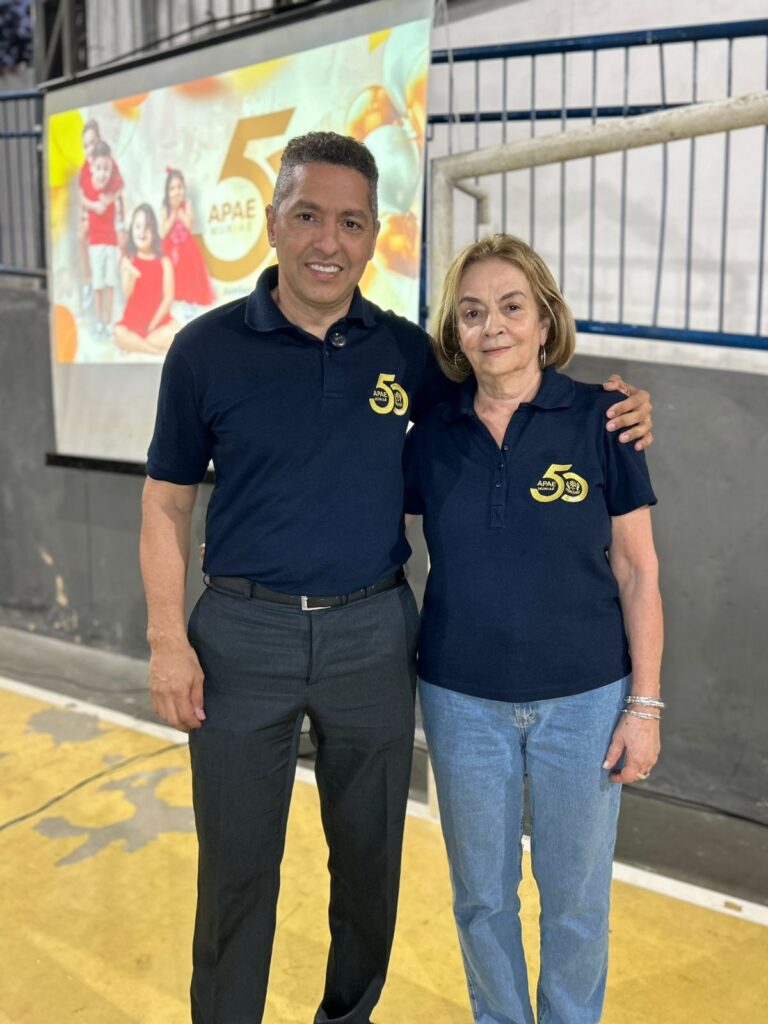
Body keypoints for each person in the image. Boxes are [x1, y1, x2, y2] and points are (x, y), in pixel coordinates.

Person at [139, 132, 654, 1024]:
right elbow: (165, 501)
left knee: (370, 865)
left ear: (374, 236)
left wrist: (619, 408)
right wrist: (164, 639)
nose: (327, 241)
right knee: (235, 871)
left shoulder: (409, 354)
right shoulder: (203, 350)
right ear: (272, 223)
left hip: (373, 634)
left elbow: (508, 389)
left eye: (350, 222)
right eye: (307, 216)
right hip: (242, 635)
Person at [403, 234, 663, 1024]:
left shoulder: (605, 420)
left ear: (546, 320)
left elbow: (638, 570)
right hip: (460, 702)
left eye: (512, 307)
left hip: (585, 702)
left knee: (576, 903)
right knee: (482, 899)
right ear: (455, 332)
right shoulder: (432, 432)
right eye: (472, 312)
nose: (494, 326)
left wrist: (645, 705)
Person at [114, 204, 178, 355]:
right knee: (118, 332)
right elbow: (127, 292)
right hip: (132, 324)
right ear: (132, 230)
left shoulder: (164, 262)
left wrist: (152, 326)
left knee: (177, 333)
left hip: (157, 323)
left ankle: (138, 344)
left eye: (147, 227)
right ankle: (154, 350)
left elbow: (168, 298)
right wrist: (129, 272)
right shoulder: (129, 260)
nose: (142, 232)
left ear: (154, 230)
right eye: (138, 226)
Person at [79, 125, 124, 323]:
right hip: (95, 231)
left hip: (110, 234)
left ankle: (108, 319)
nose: (90, 148)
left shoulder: (109, 164)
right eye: (86, 145)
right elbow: (82, 195)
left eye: (92, 142)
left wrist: (109, 200)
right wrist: (94, 206)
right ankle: (88, 281)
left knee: (110, 279)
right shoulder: (86, 170)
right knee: (81, 234)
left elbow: (119, 188)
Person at [159, 167, 216, 314]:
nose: (176, 192)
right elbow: (164, 231)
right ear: (167, 191)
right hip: (170, 247)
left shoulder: (186, 204)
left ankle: (189, 304)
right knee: (172, 275)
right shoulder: (165, 207)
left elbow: (189, 226)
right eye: (172, 188)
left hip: (186, 246)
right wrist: (173, 212)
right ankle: (173, 303)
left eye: (179, 187)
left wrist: (180, 210)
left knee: (188, 275)